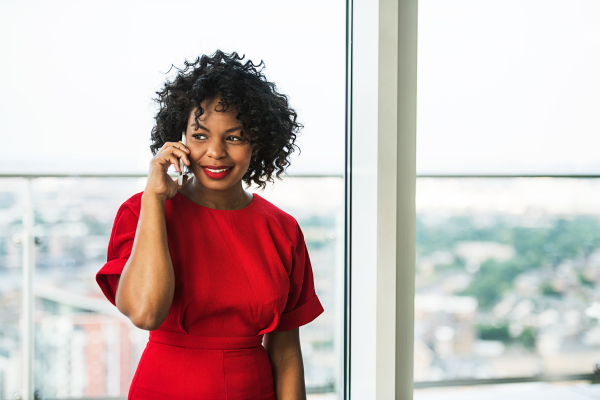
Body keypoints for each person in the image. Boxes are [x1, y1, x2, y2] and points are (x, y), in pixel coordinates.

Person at [95, 50, 324, 400]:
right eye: (200, 136)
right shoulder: (141, 213)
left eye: (233, 137)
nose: (215, 152)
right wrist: (154, 200)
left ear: (257, 143)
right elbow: (145, 313)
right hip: (164, 387)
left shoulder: (283, 229)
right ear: (180, 138)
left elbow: (286, 352)